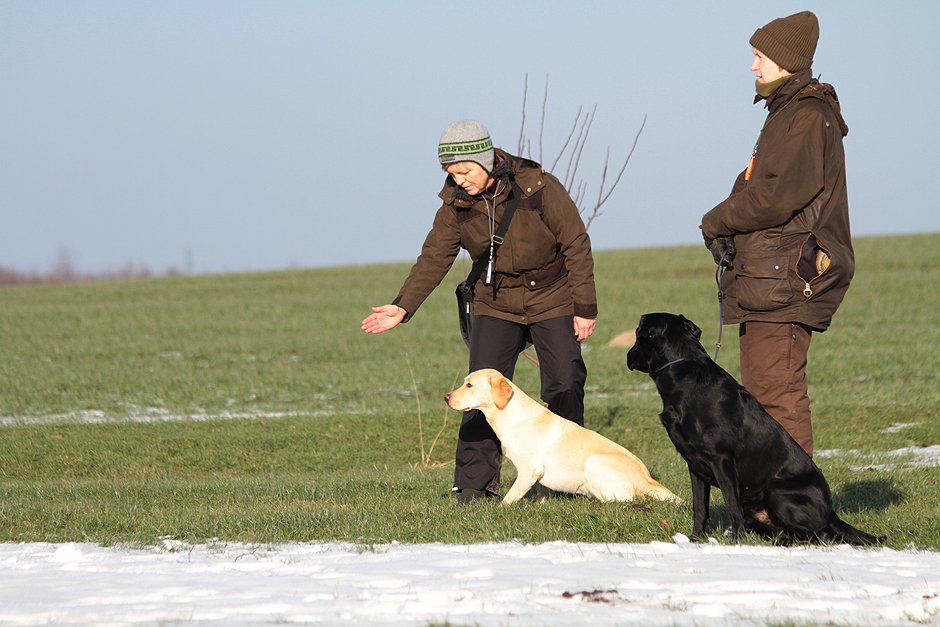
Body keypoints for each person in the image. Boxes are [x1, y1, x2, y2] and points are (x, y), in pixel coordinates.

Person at [361, 119, 598, 502]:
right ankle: (474, 486)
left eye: (465, 171)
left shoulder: (537, 187)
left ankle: (563, 483)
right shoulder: (455, 204)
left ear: (486, 160)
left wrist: (584, 307)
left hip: (551, 295)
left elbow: (576, 243)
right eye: (451, 173)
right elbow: (434, 257)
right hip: (495, 300)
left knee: (564, 383)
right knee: (475, 392)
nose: (459, 180)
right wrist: (403, 306)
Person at [700, 11, 853, 456]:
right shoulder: (787, 113)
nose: (753, 65)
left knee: (777, 397)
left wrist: (715, 221)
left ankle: (797, 497)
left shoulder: (806, 116)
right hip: (767, 278)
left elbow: (775, 197)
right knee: (763, 397)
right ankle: (773, 495)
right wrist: (727, 225)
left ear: (786, 60)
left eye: (760, 56)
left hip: (785, 279)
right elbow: (755, 184)